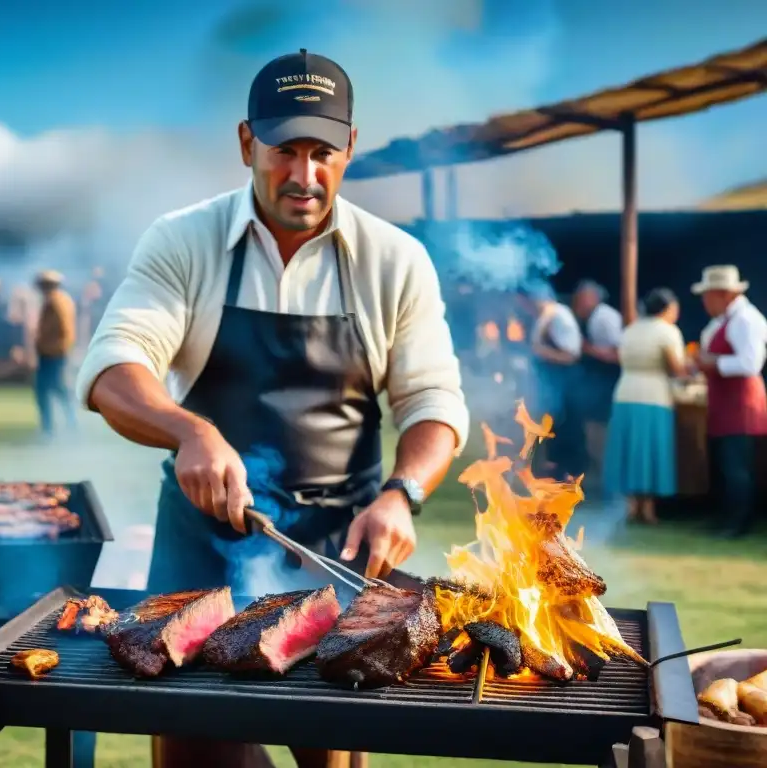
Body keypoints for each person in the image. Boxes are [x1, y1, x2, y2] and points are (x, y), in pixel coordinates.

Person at [77, 48, 468, 768]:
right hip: (202, 545)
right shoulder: (182, 241)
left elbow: (434, 401)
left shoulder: (396, 260)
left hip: (341, 550)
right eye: (285, 149)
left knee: (334, 756)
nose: (304, 175)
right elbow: (113, 368)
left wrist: (402, 494)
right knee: (198, 753)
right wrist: (189, 431)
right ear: (246, 142)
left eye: (322, 151)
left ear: (350, 146)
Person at [692, 265, 767, 538]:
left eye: (707, 295)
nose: (704, 301)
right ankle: (724, 518)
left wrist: (713, 362)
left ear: (724, 294)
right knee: (724, 464)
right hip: (725, 402)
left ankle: (737, 524)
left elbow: (750, 363)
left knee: (737, 467)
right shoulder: (722, 322)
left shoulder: (747, 320)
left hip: (741, 403)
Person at [603, 288, 687, 523]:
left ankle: (631, 506)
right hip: (654, 395)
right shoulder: (668, 332)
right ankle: (648, 509)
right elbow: (677, 368)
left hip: (625, 392)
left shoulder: (631, 330)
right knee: (650, 451)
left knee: (630, 450)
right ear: (667, 309)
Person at [526, 285, 584, 479]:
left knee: (566, 430)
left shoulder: (560, 317)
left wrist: (542, 352)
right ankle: (555, 475)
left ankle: (570, 476)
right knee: (553, 427)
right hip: (552, 384)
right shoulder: (546, 317)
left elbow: (571, 355)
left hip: (566, 383)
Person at [571, 280, 623, 490]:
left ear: (591, 298)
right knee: (594, 431)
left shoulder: (605, 318)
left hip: (608, 385)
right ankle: (603, 479)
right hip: (598, 386)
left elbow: (619, 354)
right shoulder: (595, 317)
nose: (577, 306)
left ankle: (609, 482)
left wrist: (587, 348)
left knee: (601, 434)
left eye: (580, 300)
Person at [34, 270, 77, 436]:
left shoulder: (55, 302)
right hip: (56, 352)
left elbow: (63, 329)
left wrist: (58, 347)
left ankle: (48, 428)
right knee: (58, 390)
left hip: (53, 353)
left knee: (45, 390)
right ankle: (68, 424)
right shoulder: (62, 300)